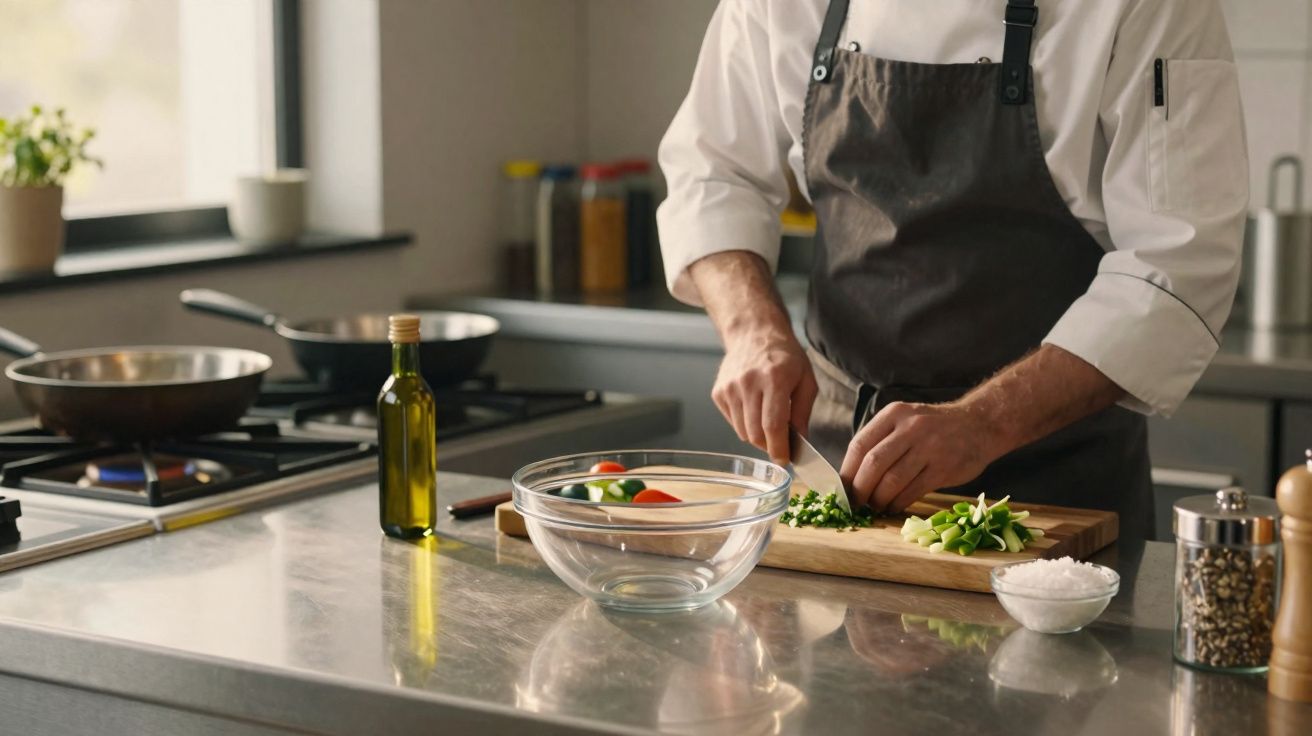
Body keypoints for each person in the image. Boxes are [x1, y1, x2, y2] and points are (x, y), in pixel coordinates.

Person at [656, 0, 1247, 541]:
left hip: (1051, 492)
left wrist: (984, 422)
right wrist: (752, 332)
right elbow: (713, 172)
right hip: (833, 471)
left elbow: (1177, 262)